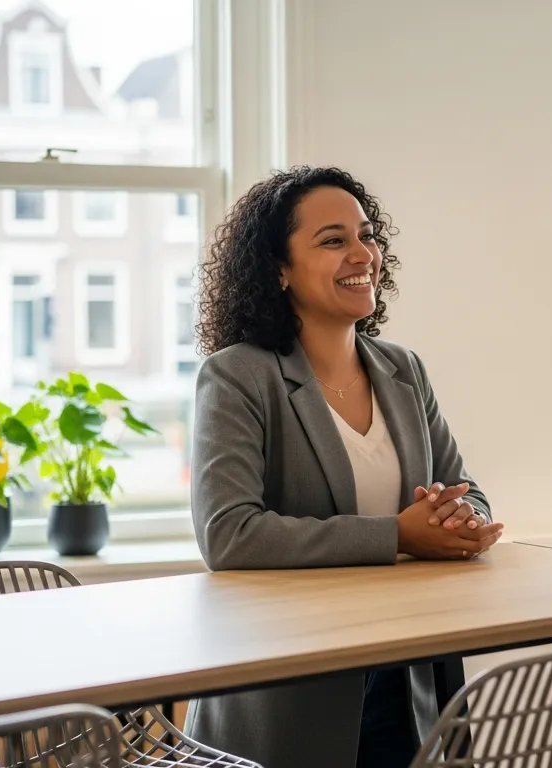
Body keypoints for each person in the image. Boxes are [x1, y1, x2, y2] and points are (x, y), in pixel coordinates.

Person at [187, 165, 504, 768]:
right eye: (333, 240)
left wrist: (465, 521)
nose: (363, 253)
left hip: (408, 678)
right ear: (277, 270)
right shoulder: (236, 376)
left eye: (366, 234)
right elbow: (229, 535)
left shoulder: (402, 369)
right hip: (290, 687)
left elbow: (469, 490)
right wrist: (400, 535)